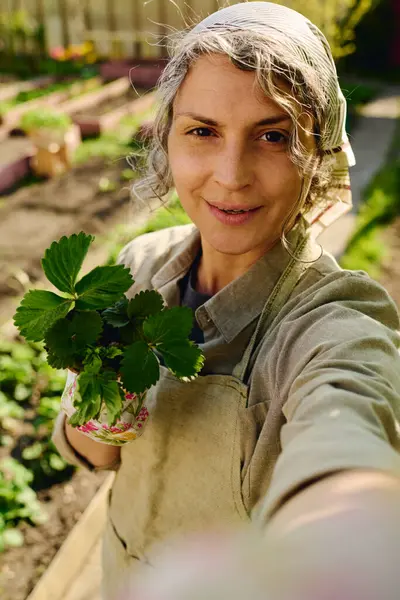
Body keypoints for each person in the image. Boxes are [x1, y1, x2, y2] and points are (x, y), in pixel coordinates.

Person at [52, 3, 400, 598]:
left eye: (273, 136)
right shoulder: (137, 271)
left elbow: (345, 416)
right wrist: (101, 415)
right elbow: (88, 451)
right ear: (167, 138)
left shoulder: (329, 322)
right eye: (203, 131)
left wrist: (348, 528)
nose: (231, 174)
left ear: (316, 154)